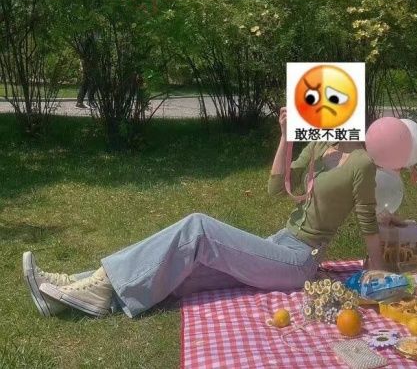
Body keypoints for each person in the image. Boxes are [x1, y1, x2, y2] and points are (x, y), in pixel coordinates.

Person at [22, 107, 392, 319]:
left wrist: (375, 271)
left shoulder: (361, 161)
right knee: (180, 273)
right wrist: (286, 136)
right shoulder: (321, 147)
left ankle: (95, 283)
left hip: (299, 261)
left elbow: (367, 219)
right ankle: (68, 290)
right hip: (278, 243)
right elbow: (276, 190)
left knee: (197, 228)